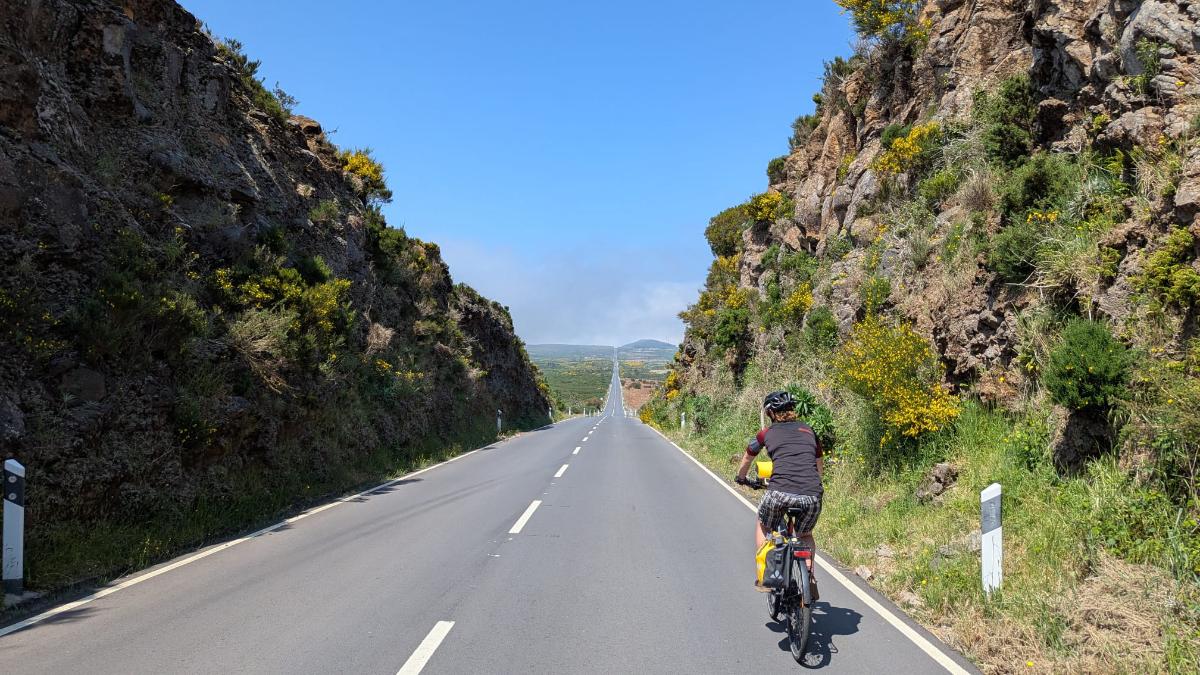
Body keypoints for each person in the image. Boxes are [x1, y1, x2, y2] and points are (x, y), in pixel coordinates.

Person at [735, 390, 824, 592]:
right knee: (805, 534)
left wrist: (741, 478)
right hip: (812, 494)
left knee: (764, 524)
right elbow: (819, 466)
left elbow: (748, 457)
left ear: (771, 414)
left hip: (779, 493)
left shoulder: (766, 433)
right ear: (792, 410)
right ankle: (809, 578)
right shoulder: (809, 431)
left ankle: (765, 575)